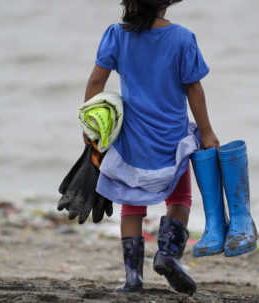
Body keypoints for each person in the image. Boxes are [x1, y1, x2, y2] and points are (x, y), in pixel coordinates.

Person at [83, 0, 219, 296]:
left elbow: (96, 81)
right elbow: (193, 88)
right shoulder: (182, 37)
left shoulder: (116, 35)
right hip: (172, 136)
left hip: (132, 138)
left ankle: (133, 279)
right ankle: (168, 255)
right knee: (180, 198)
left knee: (131, 203)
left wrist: (91, 128)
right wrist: (206, 132)